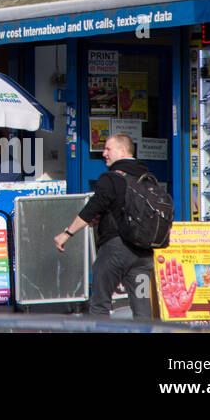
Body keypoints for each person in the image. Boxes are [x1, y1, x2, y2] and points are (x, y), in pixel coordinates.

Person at [54, 133, 155, 319]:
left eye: (108, 149)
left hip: (116, 250)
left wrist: (67, 233)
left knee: (100, 304)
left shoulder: (112, 178)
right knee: (142, 308)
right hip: (144, 253)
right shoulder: (148, 178)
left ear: (122, 151)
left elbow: (93, 206)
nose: (104, 154)